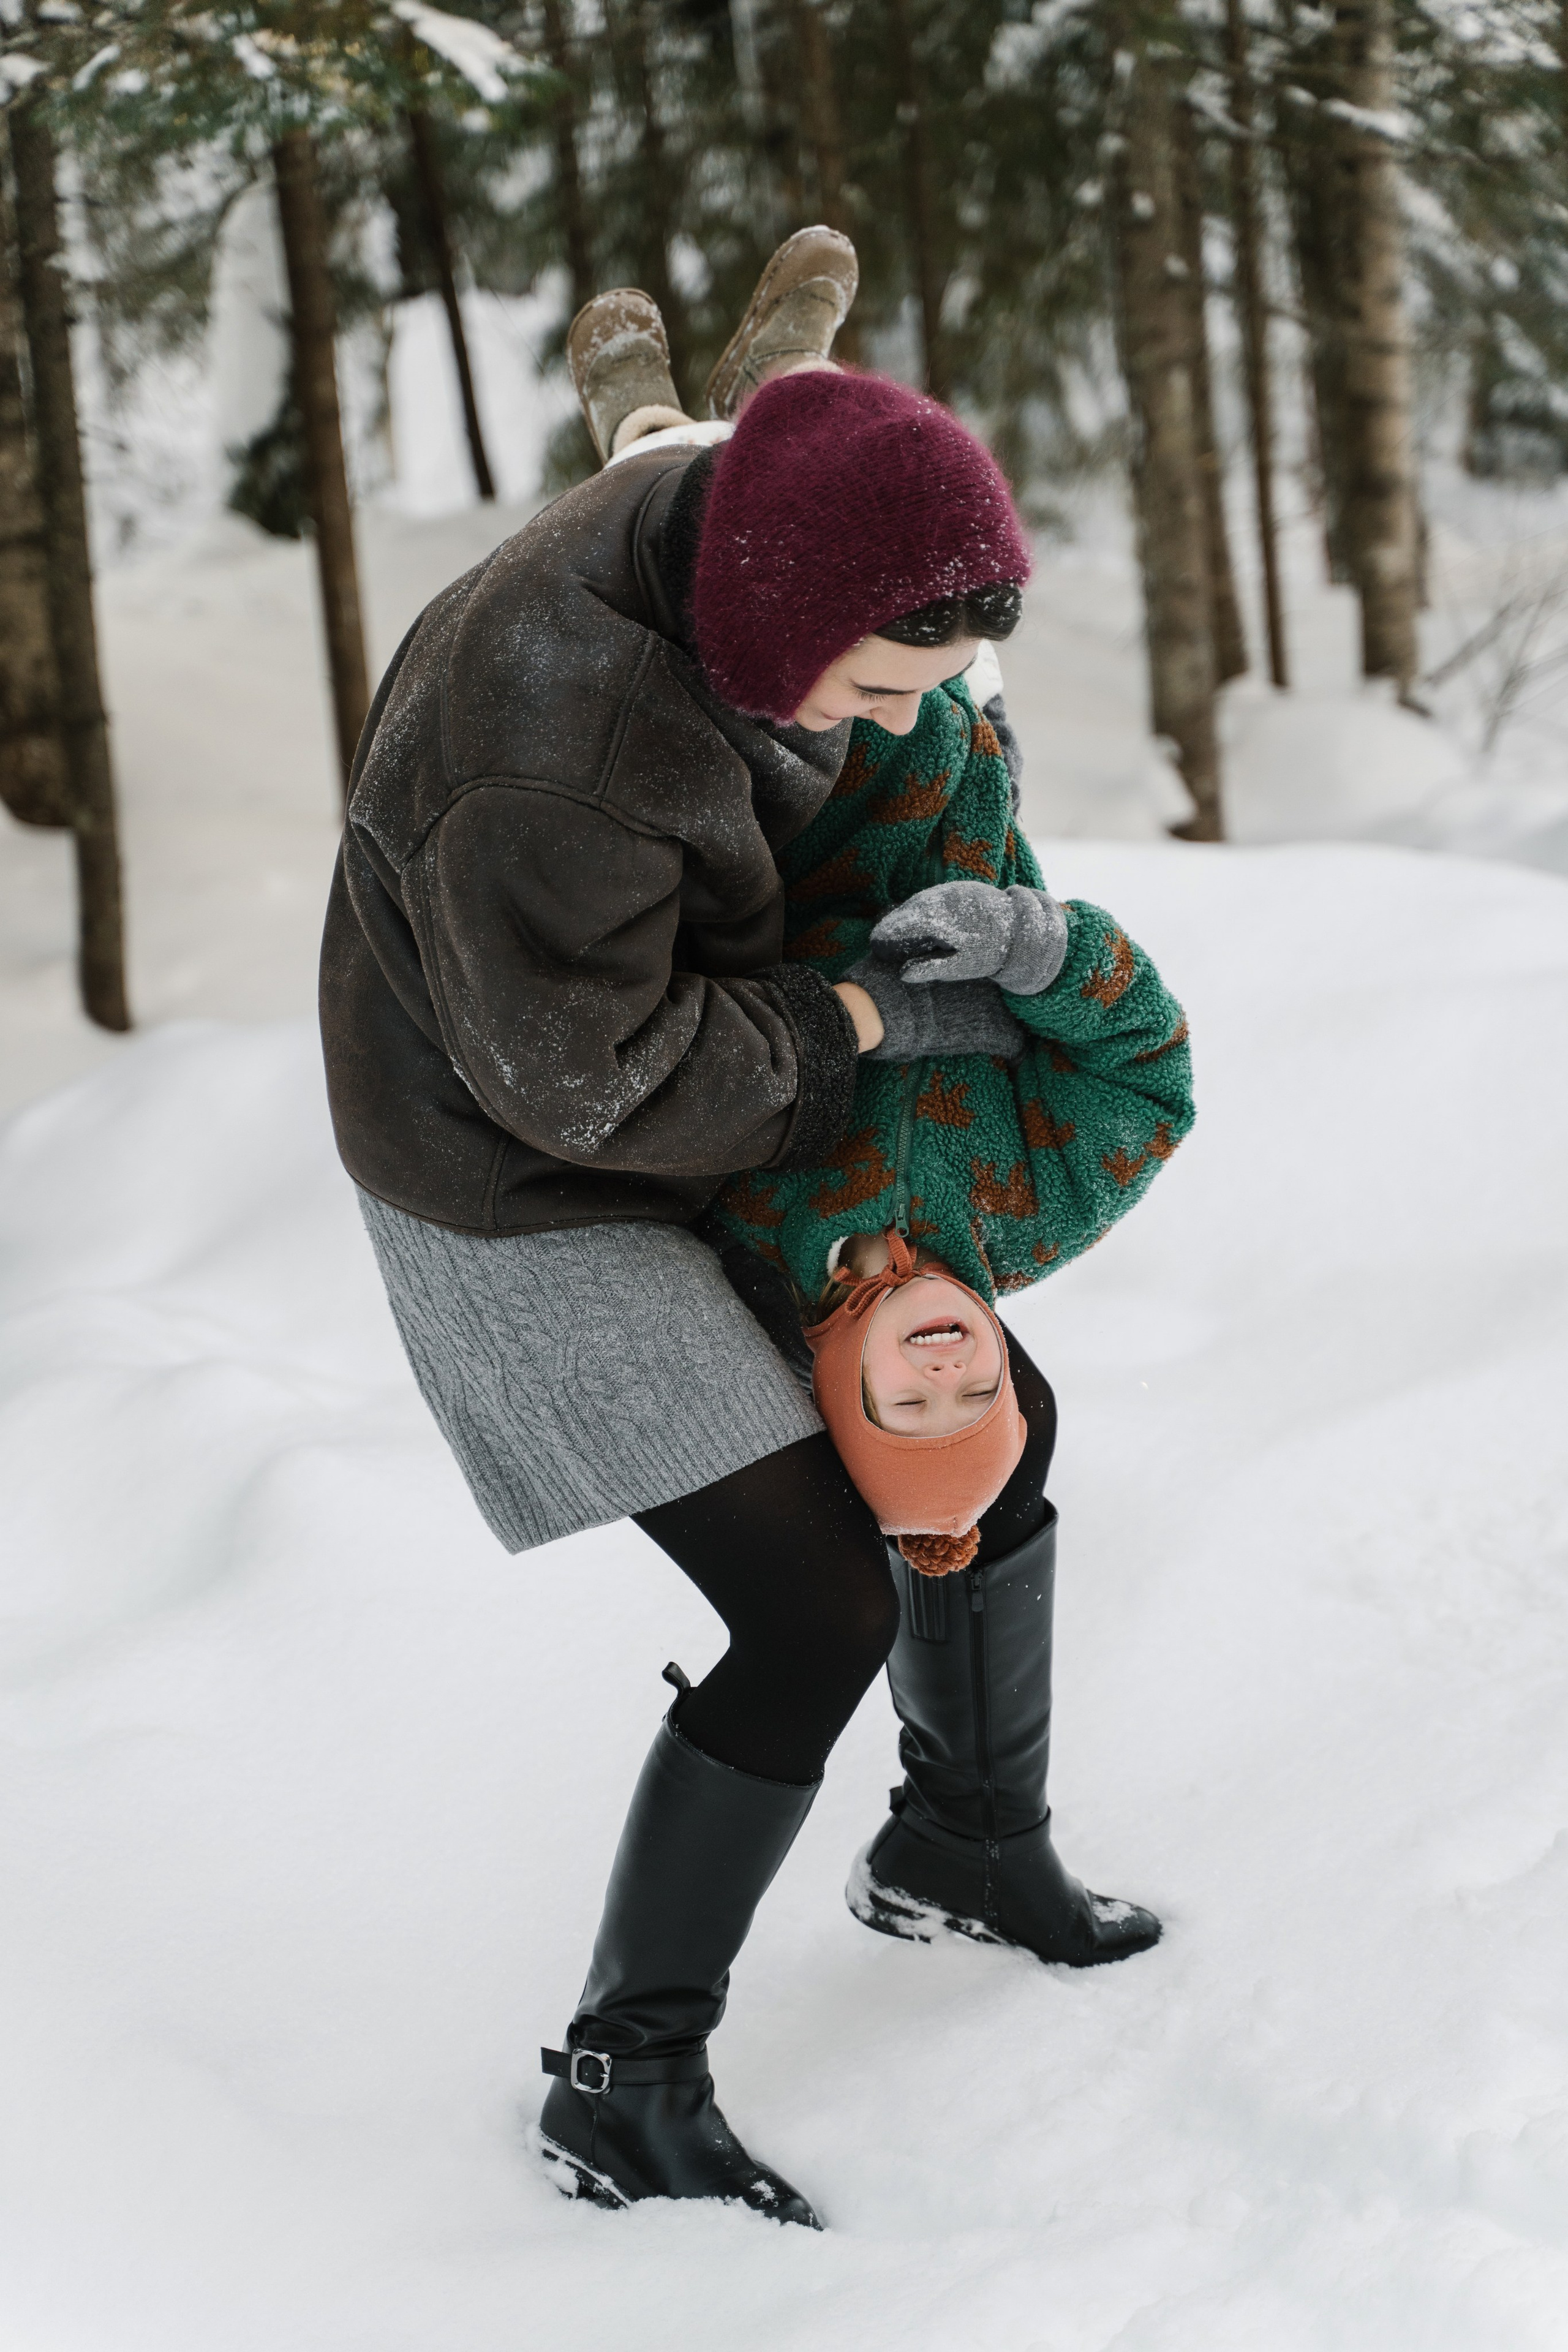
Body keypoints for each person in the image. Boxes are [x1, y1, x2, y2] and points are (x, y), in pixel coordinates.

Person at [318, 227, 1163, 2233]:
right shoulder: (558, 747)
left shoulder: (725, 535)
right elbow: (579, 1081)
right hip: (521, 1170)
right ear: (784, 612)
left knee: (979, 1432)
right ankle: (624, 2077)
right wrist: (865, 1018)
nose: (900, 727)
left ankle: (963, 1841)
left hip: (699, 1069)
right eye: (885, 686)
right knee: (815, 1605)